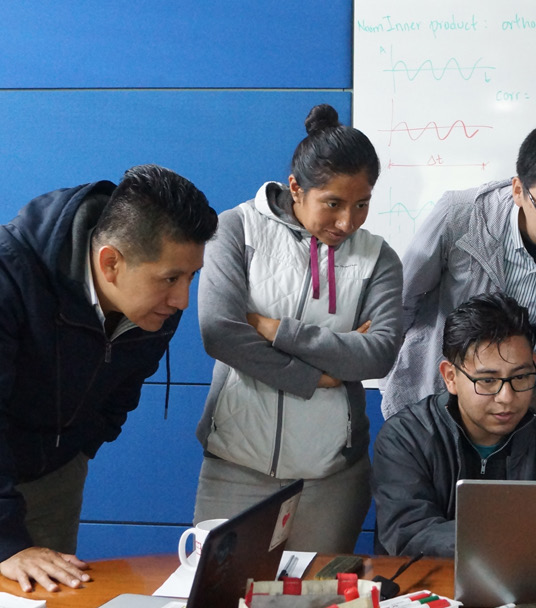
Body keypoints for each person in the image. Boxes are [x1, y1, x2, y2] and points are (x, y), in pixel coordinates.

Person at [193, 104, 404, 552]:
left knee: (318, 598)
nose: (347, 222)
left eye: (362, 204)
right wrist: (315, 376)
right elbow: (219, 331)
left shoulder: (378, 259)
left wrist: (273, 328)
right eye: (333, 204)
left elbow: (379, 353)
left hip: (333, 476)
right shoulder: (235, 230)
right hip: (236, 464)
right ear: (295, 188)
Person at [0, 165, 217, 592]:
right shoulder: (11, 279)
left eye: (192, 276)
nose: (182, 299)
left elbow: (123, 387)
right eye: (171, 278)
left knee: (50, 596)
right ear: (110, 262)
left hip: (56, 475)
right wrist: (6, 540)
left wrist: (79, 447)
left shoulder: (154, 305)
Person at [378, 118, 536, 449]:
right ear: (518, 191)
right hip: (449, 392)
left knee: (527, 498)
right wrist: (392, 383)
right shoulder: (460, 216)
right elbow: (402, 302)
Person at [373, 292, 536, 558]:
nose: (507, 398)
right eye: (487, 381)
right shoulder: (406, 438)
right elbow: (409, 532)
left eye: (521, 376)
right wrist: (513, 540)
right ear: (450, 377)